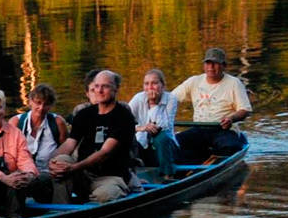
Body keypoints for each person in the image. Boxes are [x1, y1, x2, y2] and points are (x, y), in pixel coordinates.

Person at [48, 69, 137, 204]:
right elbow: (69, 143)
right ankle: (59, 209)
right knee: (61, 159)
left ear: (116, 89)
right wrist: (52, 162)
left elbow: (104, 153)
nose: (99, 90)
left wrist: (73, 168)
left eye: (105, 86)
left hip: (111, 177)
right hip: (84, 174)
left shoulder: (124, 117)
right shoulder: (84, 114)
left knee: (104, 196)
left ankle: (89, 206)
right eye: (96, 86)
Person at [172, 47, 254, 162]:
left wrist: (231, 118)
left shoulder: (234, 83)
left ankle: (213, 161)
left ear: (223, 66)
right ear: (204, 65)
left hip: (223, 130)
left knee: (230, 147)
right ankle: (190, 164)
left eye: (215, 64)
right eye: (208, 63)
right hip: (199, 129)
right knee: (173, 143)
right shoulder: (194, 81)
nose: (210, 67)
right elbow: (170, 99)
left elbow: (244, 110)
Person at [0, 88, 37, 216]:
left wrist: (28, 175)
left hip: (10, 184)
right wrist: (3, 177)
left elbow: (25, 159)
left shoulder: (16, 133)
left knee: (18, 180)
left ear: (4, 109)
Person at [15, 84, 68, 203]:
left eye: (46, 104)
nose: (41, 107)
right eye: (38, 103)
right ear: (30, 102)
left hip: (48, 175)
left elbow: (66, 150)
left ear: (51, 105)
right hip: (23, 174)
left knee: (43, 179)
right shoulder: (16, 122)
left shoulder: (57, 123)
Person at [128, 69, 181, 179]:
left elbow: (164, 126)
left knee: (161, 137)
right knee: (125, 138)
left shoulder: (171, 98)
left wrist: (153, 104)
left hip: (165, 146)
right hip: (142, 145)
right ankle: (128, 174)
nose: (150, 87)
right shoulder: (138, 98)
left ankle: (168, 175)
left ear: (163, 86)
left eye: (154, 83)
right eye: (146, 84)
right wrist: (141, 128)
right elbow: (123, 123)